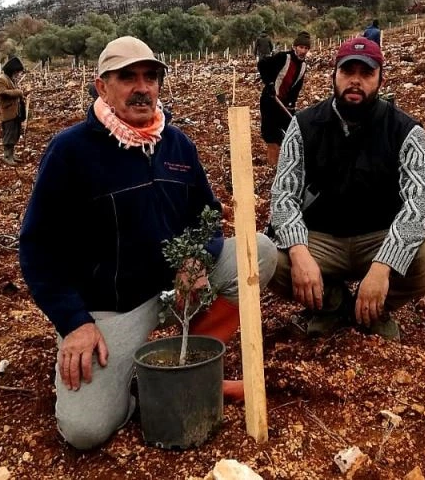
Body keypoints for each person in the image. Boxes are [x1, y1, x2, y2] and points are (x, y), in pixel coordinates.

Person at [18, 36, 277, 450]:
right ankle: (132, 376)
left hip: (173, 292)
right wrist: (74, 323)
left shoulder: (177, 146)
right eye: (128, 77)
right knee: (85, 431)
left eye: (150, 76)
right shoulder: (70, 152)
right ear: (102, 86)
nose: (142, 87)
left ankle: (187, 360)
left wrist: (196, 257)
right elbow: (36, 248)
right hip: (110, 308)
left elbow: (207, 218)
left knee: (257, 252)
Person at [268, 37, 425, 341]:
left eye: (366, 74)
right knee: (266, 256)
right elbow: (284, 195)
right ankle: (332, 304)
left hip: (378, 239)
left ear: (380, 79)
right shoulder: (304, 125)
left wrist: (384, 265)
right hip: (321, 241)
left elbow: (421, 203)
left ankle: (373, 310)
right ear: (334, 75)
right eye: (348, 71)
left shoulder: (405, 130)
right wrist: (298, 252)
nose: (355, 81)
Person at [257, 30, 311, 166]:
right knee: (271, 136)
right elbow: (262, 65)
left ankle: (290, 164)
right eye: (301, 47)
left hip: (284, 105)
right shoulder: (283, 57)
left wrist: (292, 106)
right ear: (295, 47)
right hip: (270, 100)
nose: (303, 51)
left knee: (292, 134)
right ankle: (272, 168)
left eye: (306, 48)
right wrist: (269, 83)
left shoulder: (303, 66)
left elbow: (296, 88)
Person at [0, 57, 26, 165]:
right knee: (9, 134)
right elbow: (2, 93)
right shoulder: (1, 80)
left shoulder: (10, 79)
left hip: (15, 112)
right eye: (17, 71)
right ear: (12, 70)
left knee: (14, 134)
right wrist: (18, 92)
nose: (18, 74)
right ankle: (7, 156)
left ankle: (12, 154)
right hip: (7, 112)